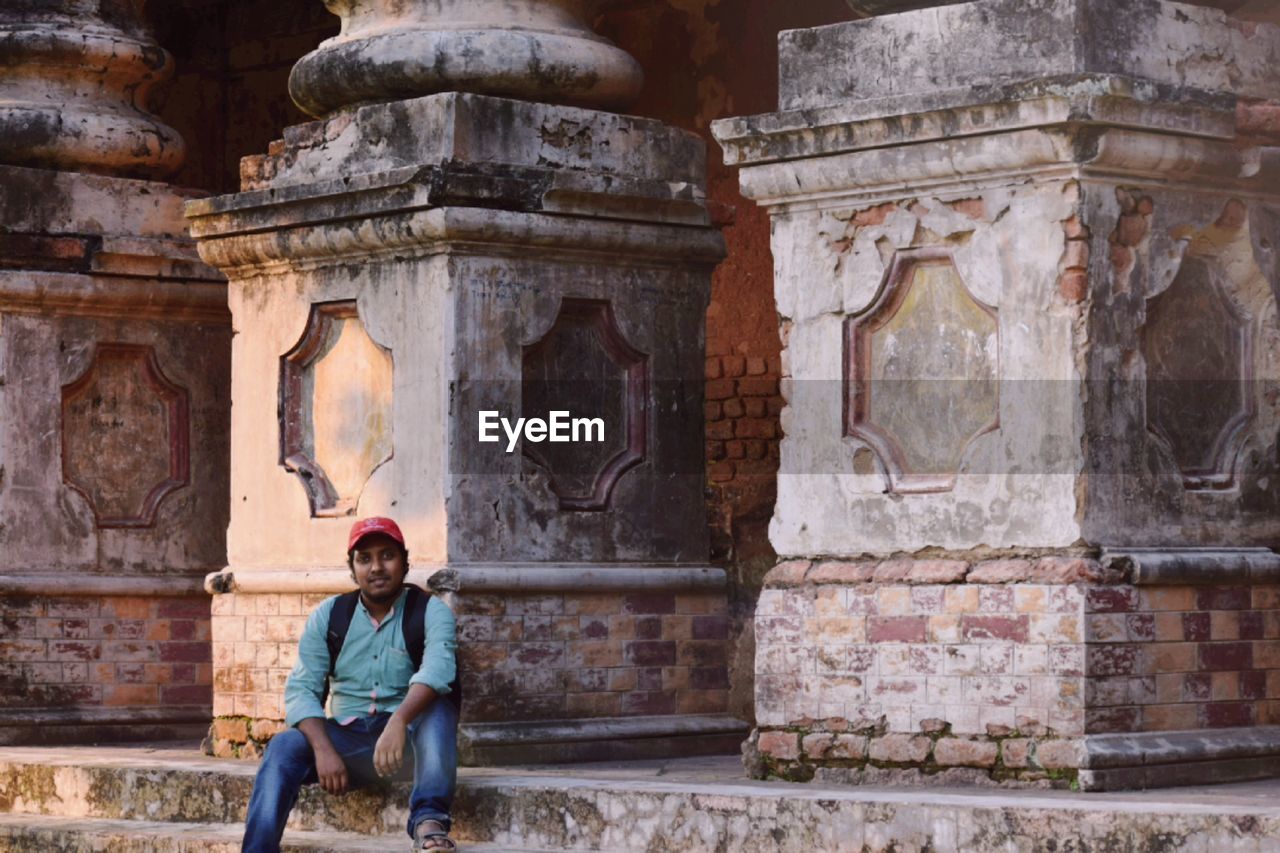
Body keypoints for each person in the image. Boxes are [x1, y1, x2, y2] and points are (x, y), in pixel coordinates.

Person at [241, 516, 459, 852]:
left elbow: (439, 670)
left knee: (439, 709)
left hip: (409, 745)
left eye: (387, 555)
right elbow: (302, 690)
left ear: (404, 562)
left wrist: (399, 720)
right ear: (352, 568)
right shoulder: (330, 616)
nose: (376, 567)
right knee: (284, 746)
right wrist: (324, 750)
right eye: (364, 558)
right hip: (348, 740)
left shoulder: (431, 611)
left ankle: (429, 823)